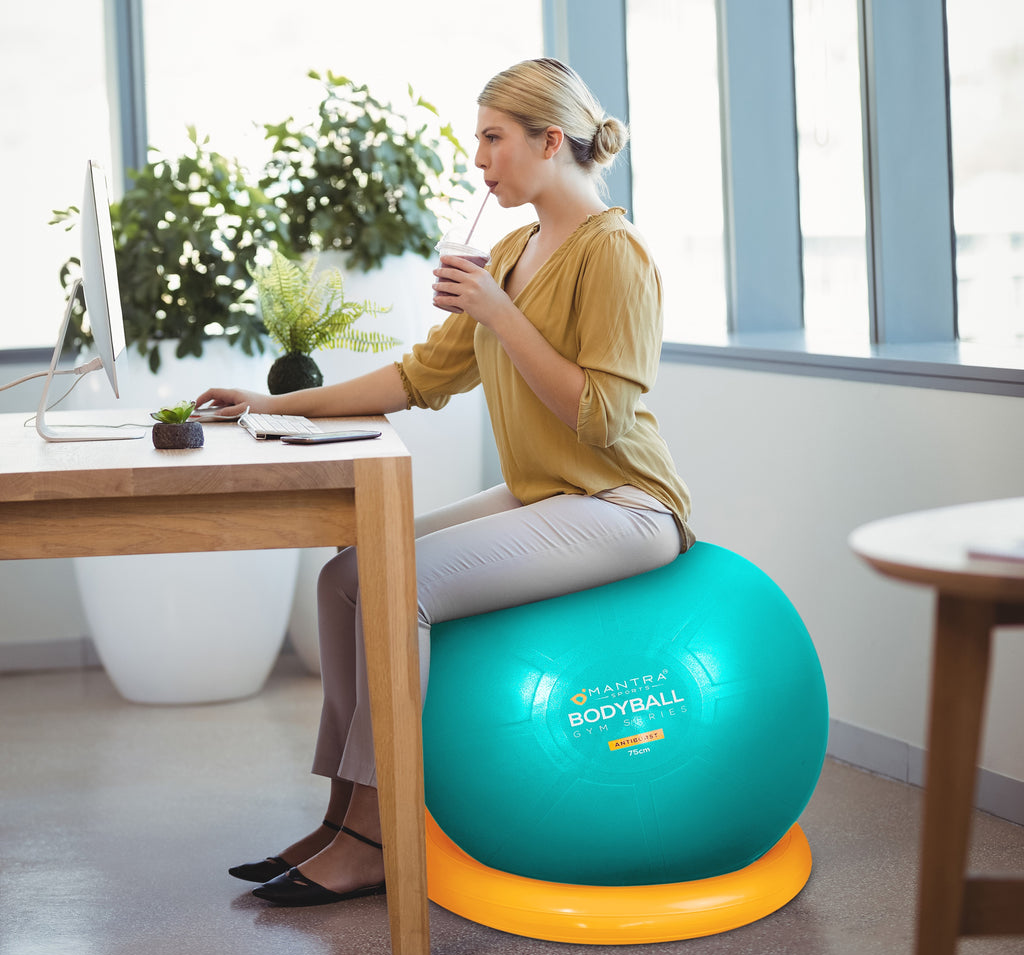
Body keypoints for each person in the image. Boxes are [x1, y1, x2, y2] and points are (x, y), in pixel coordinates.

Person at [195, 57, 695, 907]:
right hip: (550, 494)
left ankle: (381, 836)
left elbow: (602, 418)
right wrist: (277, 404)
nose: (479, 159)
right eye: (478, 140)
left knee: (403, 583)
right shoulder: (510, 250)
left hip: (624, 505)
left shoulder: (617, 254)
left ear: (549, 140)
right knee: (349, 574)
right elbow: (419, 379)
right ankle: (343, 815)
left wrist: (497, 311)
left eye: (493, 139)